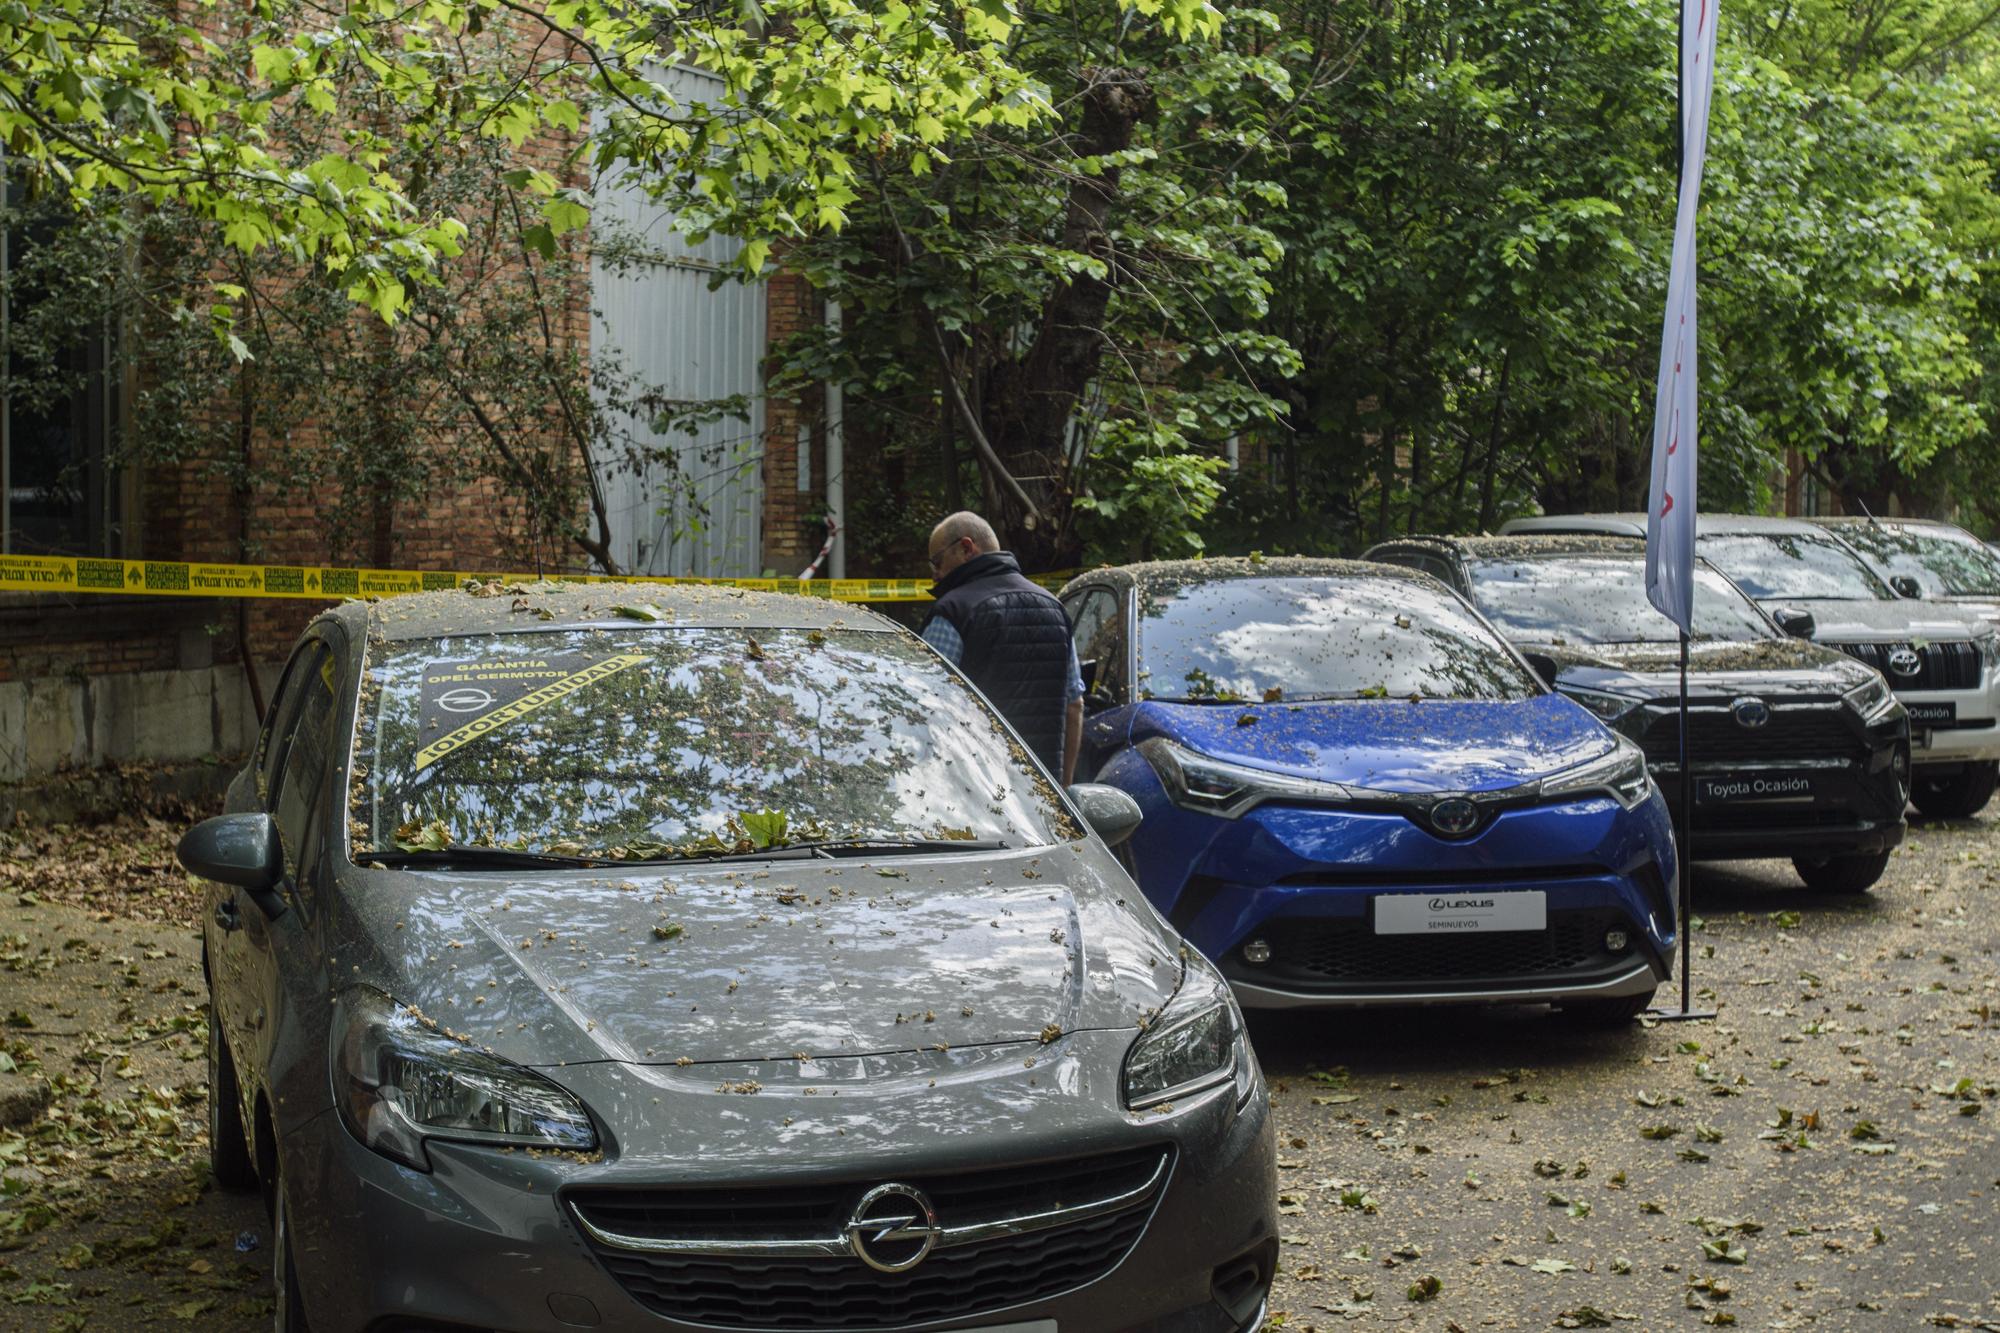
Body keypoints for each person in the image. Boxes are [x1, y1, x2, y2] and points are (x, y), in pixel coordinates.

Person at [920, 512, 1085, 784]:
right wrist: (1063, 792)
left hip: (973, 796)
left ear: (966, 548)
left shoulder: (953, 612)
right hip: (1042, 800)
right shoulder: (1055, 608)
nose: (935, 575)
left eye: (937, 562)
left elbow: (926, 708)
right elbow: (1074, 706)